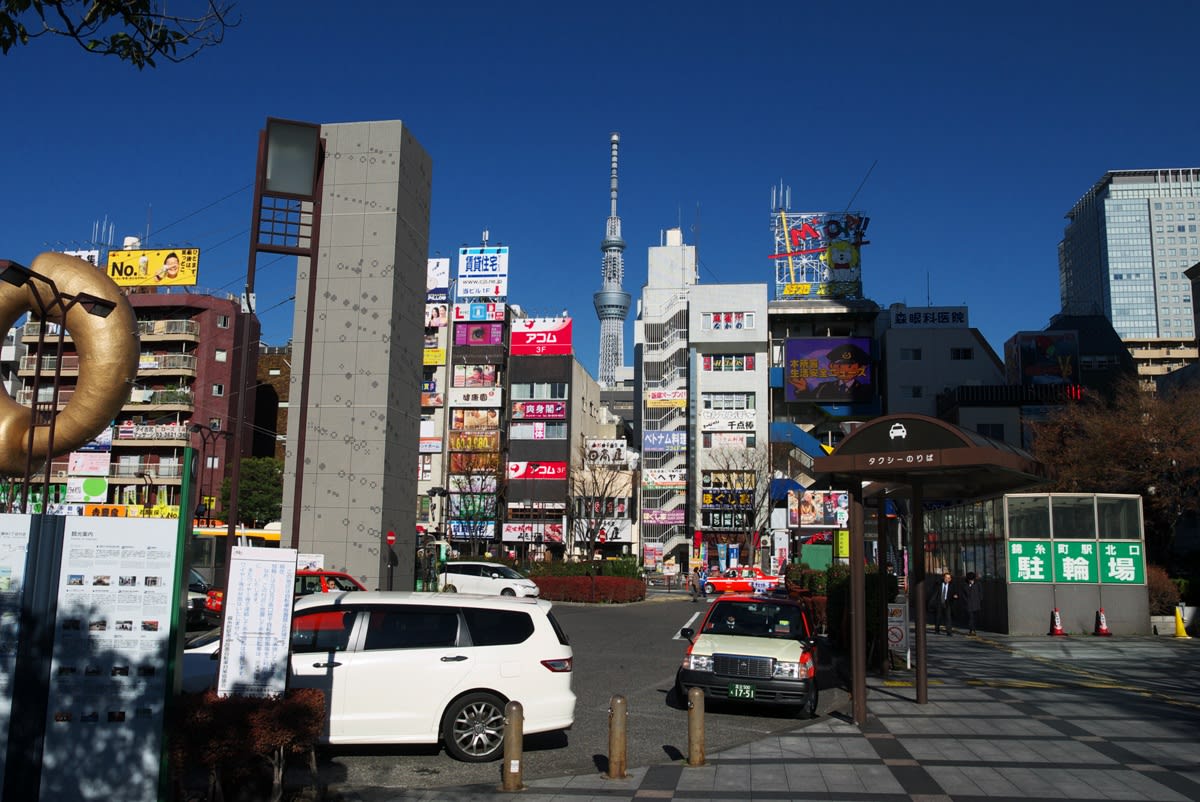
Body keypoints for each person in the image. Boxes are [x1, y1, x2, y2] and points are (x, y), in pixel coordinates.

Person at [791, 343, 873, 402]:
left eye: (849, 366)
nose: (843, 370)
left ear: (861, 368)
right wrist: (803, 390)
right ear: (831, 366)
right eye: (839, 366)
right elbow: (810, 401)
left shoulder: (866, 390)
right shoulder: (823, 388)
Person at [927, 571, 958, 635]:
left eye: (949, 578)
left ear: (950, 579)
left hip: (947, 603)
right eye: (946, 577)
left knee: (948, 618)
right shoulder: (938, 584)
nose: (947, 579)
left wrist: (955, 596)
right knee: (938, 617)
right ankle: (937, 630)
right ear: (943, 578)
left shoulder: (952, 585)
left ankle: (949, 632)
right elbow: (933, 593)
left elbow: (955, 593)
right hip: (939, 602)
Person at [963, 571, 982, 636]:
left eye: (972, 579)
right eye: (969, 580)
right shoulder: (965, 584)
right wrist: (966, 601)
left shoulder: (978, 584)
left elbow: (980, 593)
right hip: (969, 604)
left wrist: (979, 600)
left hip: (976, 603)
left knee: (975, 618)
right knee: (971, 617)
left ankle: (973, 629)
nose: (971, 581)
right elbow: (964, 594)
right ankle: (972, 630)